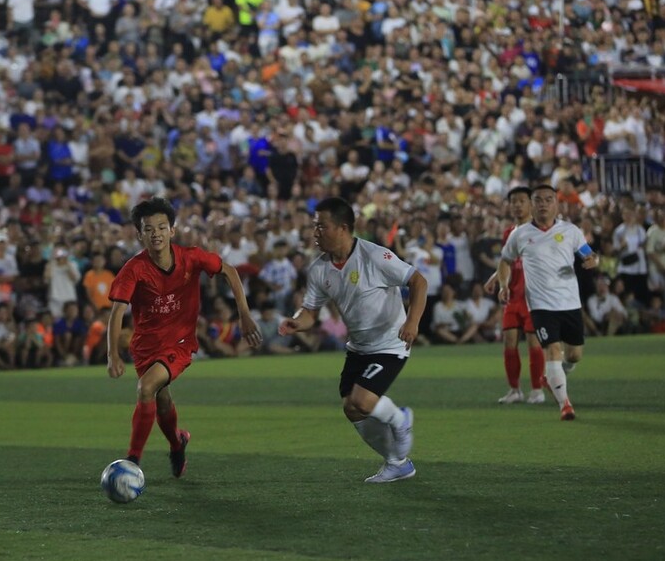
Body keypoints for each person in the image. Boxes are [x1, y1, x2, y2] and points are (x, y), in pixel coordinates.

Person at [106, 197, 262, 477]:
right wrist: (113, 355)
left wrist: (245, 314)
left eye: (162, 227)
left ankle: (132, 462)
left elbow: (230, 271)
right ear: (140, 234)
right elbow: (117, 311)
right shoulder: (134, 269)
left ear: (172, 231)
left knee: (146, 388)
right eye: (149, 229)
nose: (156, 234)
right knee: (161, 399)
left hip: (179, 342)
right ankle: (177, 443)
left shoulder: (191, 257)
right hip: (145, 347)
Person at [279, 197, 428, 483]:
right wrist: (297, 321)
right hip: (358, 348)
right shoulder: (320, 269)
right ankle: (397, 462)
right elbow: (310, 311)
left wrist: (412, 321)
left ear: (343, 228)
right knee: (352, 408)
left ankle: (400, 419)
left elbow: (418, 281)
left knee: (363, 399)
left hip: (389, 343)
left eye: (321, 227)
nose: (315, 233)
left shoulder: (374, 256)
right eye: (315, 226)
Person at [498, 184, 600, 421]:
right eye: (538, 200)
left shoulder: (571, 231)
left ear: (556, 204)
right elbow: (505, 261)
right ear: (532, 204)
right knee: (552, 350)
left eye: (548, 199)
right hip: (541, 306)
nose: (543, 204)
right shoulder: (520, 234)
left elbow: (589, 253)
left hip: (569, 303)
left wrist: (592, 260)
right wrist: (504, 285)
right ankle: (565, 404)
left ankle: (551, 378)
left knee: (574, 355)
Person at [484, 187, 546, 405]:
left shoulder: (540, 230)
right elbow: (507, 261)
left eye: (521, 201)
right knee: (509, 341)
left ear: (531, 203)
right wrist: (497, 280)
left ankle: (537, 389)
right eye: (514, 202)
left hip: (534, 295)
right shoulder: (509, 232)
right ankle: (515, 390)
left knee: (532, 342)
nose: (517, 205)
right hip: (513, 294)